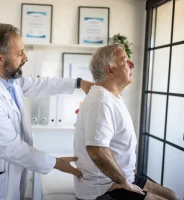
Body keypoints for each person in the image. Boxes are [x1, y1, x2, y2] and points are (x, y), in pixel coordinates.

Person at [0, 23, 93, 200]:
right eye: (19, 53)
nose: (25, 57)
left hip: (5, 172)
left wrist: (78, 83)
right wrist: (58, 164)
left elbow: (39, 84)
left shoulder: (9, 80)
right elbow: (12, 149)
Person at [73, 44, 179, 200]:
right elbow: (97, 151)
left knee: (172, 196)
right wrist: (123, 182)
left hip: (122, 177)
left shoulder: (112, 96)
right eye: (125, 61)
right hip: (104, 187)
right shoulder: (101, 101)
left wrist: (126, 178)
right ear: (109, 70)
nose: (132, 64)